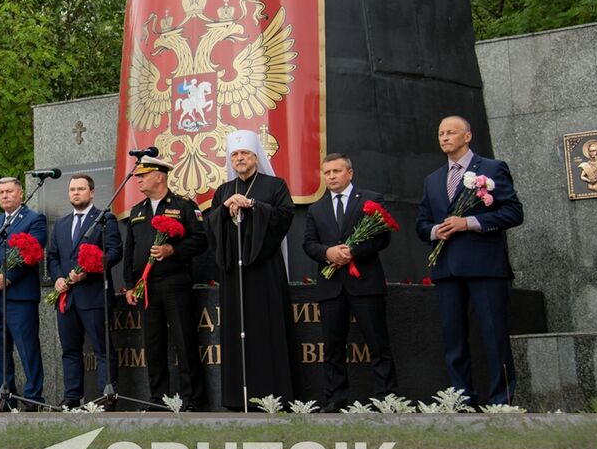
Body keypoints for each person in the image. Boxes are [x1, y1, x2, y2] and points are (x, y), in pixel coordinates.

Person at [416, 115, 525, 406]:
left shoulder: (492, 169)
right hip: (447, 269)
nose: (444, 137)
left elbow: (513, 212)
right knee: (453, 339)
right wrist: (435, 231)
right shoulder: (433, 179)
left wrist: (469, 223)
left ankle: (501, 401)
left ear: (467, 136)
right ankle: (462, 400)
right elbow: (422, 223)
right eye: (441, 133)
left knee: (494, 335)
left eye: (451, 132)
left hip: (484, 266)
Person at [205, 129, 297, 410]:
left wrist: (254, 206)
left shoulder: (275, 185)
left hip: (264, 269)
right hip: (234, 273)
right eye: (235, 154)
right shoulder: (224, 191)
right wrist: (225, 210)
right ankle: (237, 398)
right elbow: (210, 225)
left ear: (256, 157)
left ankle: (273, 395)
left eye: (245, 153)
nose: (240, 158)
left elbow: (285, 216)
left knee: (267, 329)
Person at [302, 153, 397, 412]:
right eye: (327, 172)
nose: (331, 176)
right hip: (331, 288)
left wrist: (353, 252)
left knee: (377, 343)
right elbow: (309, 244)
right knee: (333, 347)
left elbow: (382, 238)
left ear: (350, 173)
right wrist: (328, 253)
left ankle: (387, 397)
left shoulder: (370, 199)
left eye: (337, 171)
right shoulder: (316, 208)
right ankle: (335, 398)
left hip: (365, 284)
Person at [121, 158, 208, 410]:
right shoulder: (137, 211)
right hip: (146, 286)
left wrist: (173, 250)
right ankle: (158, 398)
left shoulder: (183, 206)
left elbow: (201, 240)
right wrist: (130, 284)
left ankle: (192, 400)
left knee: (184, 340)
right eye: (138, 176)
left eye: (143, 175)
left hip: (175, 282)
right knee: (153, 344)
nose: (138, 180)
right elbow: (130, 251)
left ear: (159, 176)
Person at [49, 174, 125, 410]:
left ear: (91, 192)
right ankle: (72, 397)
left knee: (102, 349)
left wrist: (90, 270)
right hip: (67, 298)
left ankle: (106, 396)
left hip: (93, 296)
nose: (76, 193)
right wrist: (58, 278)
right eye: (72, 189)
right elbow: (52, 256)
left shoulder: (104, 219)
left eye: (81, 189)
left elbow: (115, 251)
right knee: (70, 350)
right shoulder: (61, 224)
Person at [0, 177, 49, 411]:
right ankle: (5, 396)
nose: (5, 196)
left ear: (20, 194)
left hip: (19, 296)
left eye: (9, 191)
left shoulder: (34, 219)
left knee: (27, 348)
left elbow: (32, 253)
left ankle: (33, 398)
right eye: (1, 192)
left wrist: (7, 277)